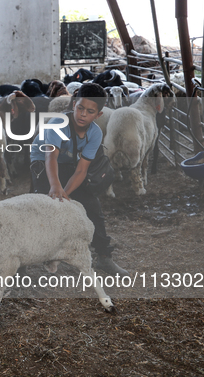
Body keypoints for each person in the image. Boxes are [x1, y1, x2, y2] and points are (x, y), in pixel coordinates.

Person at [29, 83, 128, 277]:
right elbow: (51, 158)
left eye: (90, 111)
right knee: (42, 204)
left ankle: (104, 257)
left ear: (98, 115)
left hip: (70, 163)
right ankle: (22, 259)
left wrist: (65, 193)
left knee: (92, 205)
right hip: (42, 160)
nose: (83, 114)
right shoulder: (58, 124)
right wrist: (55, 187)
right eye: (80, 108)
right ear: (73, 104)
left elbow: (82, 170)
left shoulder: (95, 133)